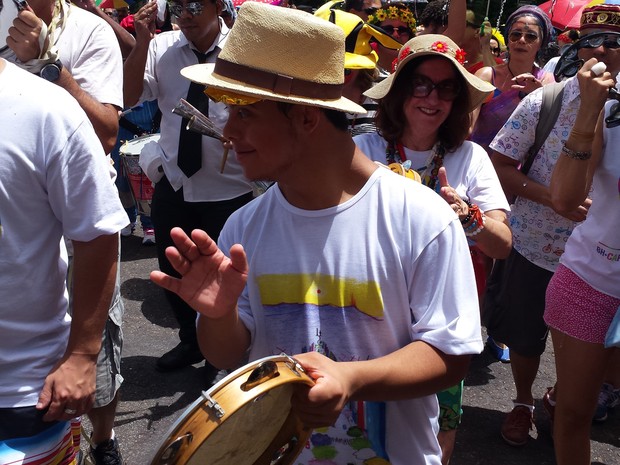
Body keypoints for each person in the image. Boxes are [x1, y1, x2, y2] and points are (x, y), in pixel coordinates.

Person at [151, 3, 484, 464]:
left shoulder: (420, 217)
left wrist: (352, 379)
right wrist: (219, 313)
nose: (227, 131)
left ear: (307, 118)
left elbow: (451, 355)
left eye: (244, 112)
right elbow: (227, 355)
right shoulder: (245, 225)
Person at [354, 34, 510, 465]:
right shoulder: (362, 150)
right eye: (420, 84)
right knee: (359, 431)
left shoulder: (471, 158)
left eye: (446, 88)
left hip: (442, 326)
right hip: (370, 318)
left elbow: (503, 243)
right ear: (399, 91)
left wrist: (469, 218)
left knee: (437, 433)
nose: (432, 97)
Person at [484, 1, 620, 448]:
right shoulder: (549, 99)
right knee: (524, 337)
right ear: (578, 51)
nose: (606, 54)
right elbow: (498, 163)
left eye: (618, 44)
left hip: (602, 266)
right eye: (594, 43)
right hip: (539, 245)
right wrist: (552, 200)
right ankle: (522, 402)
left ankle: (564, 397)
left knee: (597, 356)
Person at [4, 0, 128, 462]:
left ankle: (103, 437)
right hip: (23, 212)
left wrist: (48, 66)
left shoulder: (90, 32)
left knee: (100, 348)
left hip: (82, 214)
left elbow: (108, 132)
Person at [123, 0, 254, 374]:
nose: (186, 13)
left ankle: (225, 352)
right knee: (171, 268)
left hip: (229, 188)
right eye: (179, 5)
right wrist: (142, 41)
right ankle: (191, 340)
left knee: (228, 278)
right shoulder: (162, 48)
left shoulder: (242, 48)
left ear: (217, 6)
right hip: (177, 183)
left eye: (196, 4)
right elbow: (129, 97)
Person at [544, 52, 620, 465]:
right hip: (590, 281)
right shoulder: (610, 115)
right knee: (575, 413)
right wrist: (588, 112)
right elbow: (565, 199)